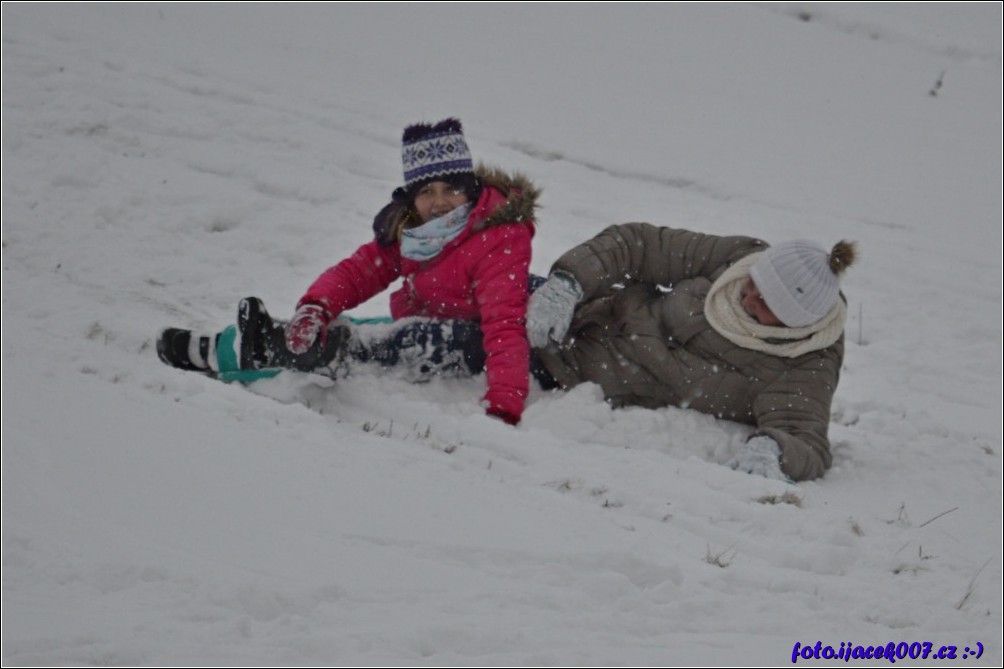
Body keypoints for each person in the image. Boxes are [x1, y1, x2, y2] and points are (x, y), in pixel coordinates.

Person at [157, 118, 540, 426]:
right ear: (412, 198)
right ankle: (236, 340)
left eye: (450, 189)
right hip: (443, 318)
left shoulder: (499, 236)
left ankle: (255, 353)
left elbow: (504, 325)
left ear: (469, 189)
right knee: (347, 326)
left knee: (381, 345)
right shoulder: (417, 233)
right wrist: (315, 307)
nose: (439, 203)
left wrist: (504, 405)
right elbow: (359, 271)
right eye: (426, 192)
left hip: (487, 337)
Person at [525, 223, 857, 482]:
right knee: (485, 280)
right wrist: (568, 285)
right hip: (579, 309)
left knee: (474, 339)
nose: (748, 298)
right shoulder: (737, 257)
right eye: (754, 282)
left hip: (570, 365)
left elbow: (804, 438)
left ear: (793, 322)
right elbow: (638, 245)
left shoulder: (805, 361)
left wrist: (774, 449)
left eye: (765, 303)